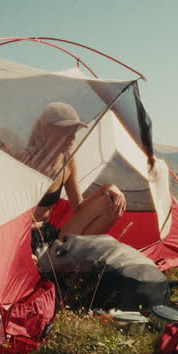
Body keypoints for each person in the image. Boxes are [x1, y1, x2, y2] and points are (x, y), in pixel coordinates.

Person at [16, 102, 126, 253]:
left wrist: (106, 188)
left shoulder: (67, 163)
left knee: (110, 205)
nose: (73, 138)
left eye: (75, 131)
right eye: (66, 131)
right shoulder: (26, 159)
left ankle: (65, 258)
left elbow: (79, 208)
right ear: (47, 130)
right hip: (21, 236)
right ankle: (59, 260)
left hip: (48, 235)